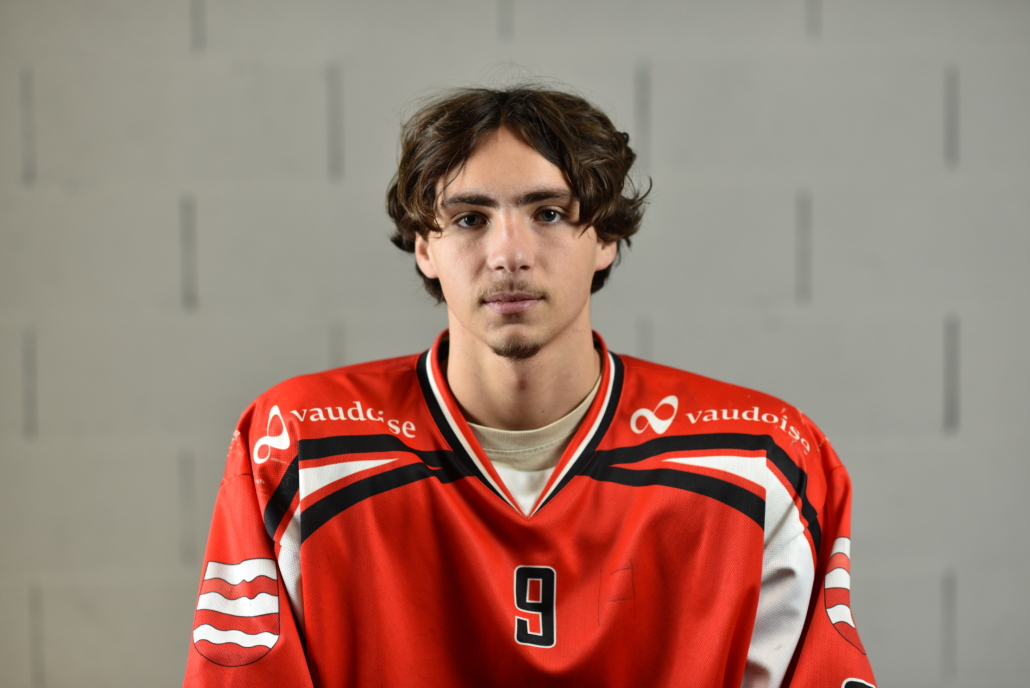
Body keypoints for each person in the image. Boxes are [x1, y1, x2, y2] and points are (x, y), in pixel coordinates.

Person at [183, 85, 876, 688]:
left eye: (547, 213)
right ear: (424, 246)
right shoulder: (298, 446)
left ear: (604, 237)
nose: (509, 254)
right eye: (469, 219)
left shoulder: (760, 458)